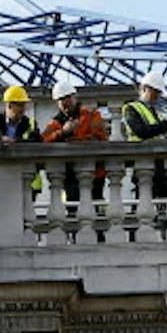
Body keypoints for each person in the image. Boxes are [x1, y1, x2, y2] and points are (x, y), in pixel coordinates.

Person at [41, 71, 108, 238]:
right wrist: (63, 133)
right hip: (69, 176)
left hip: (95, 173)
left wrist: (72, 136)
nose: (65, 104)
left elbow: (100, 138)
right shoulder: (56, 123)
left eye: (67, 99)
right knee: (73, 209)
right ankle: (76, 238)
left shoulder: (92, 116)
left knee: (95, 206)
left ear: (74, 98)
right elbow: (44, 142)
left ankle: (98, 238)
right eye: (61, 101)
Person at [118, 68, 167, 206]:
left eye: (159, 92)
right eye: (156, 91)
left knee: (162, 201)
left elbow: (160, 138)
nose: (158, 96)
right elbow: (141, 131)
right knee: (143, 203)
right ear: (145, 89)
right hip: (142, 161)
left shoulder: (154, 112)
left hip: (158, 164)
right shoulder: (131, 108)